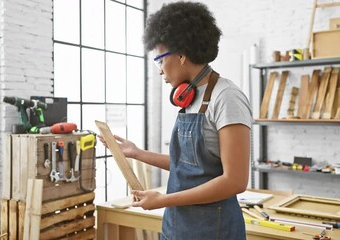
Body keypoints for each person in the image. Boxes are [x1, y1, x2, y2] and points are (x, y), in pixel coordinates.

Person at [99, 1, 252, 239]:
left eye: (160, 59)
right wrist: (137, 153)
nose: (159, 69)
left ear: (181, 55)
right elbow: (190, 167)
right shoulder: (189, 97)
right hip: (177, 225)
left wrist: (164, 199)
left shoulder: (226, 97)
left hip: (213, 229)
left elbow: (235, 181)